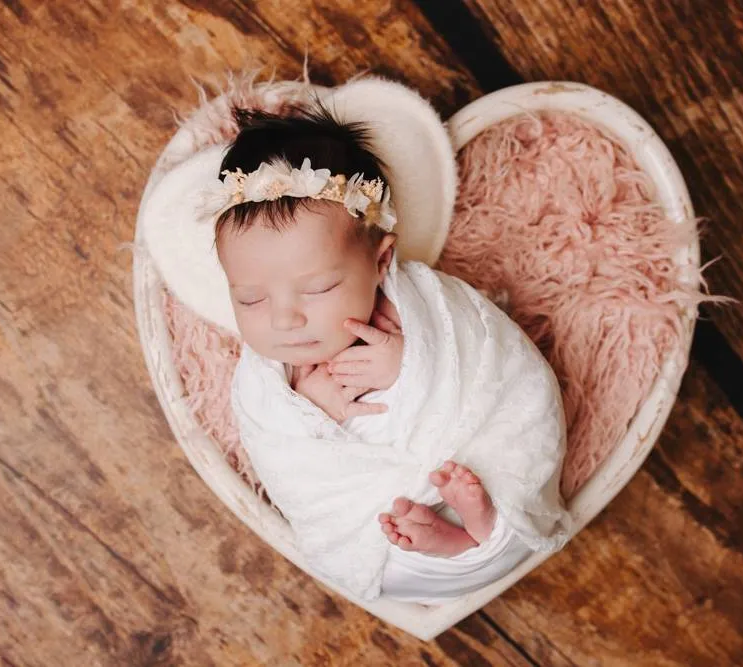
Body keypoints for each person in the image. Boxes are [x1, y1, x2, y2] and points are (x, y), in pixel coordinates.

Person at [212, 102, 569, 603]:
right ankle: (457, 544)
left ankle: (486, 527)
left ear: (380, 261)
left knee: (519, 488)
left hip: (472, 454)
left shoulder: (419, 305)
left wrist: (409, 364)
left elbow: (484, 356)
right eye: (250, 298)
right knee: (369, 563)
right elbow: (277, 451)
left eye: (318, 288)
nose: (284, 319)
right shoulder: (265, 380)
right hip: (373, 514)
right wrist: (309, 411)